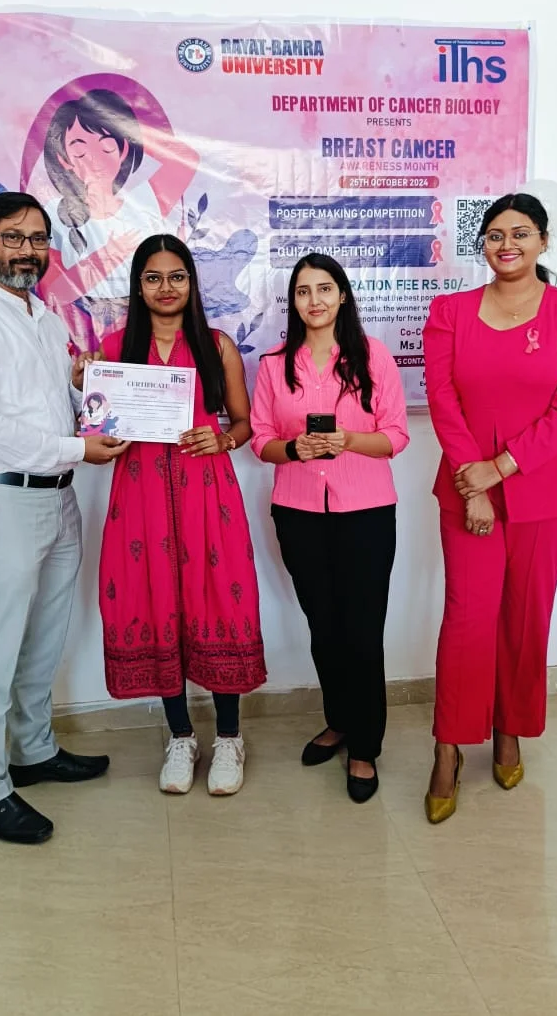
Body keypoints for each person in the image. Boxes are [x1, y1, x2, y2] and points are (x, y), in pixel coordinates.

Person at [0, 192, 130, 845]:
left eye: (37, 238)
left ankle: (33, 751)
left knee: (43, 638)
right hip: (1, 501)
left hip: (57, 497)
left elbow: (55, 407)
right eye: (12, 237)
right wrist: (78, 448)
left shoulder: (47, 321)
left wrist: (85, 388)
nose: (26, 250)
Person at [423, 193, 557, 824]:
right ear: (483, 246)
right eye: (495, 234)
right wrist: (477, 485)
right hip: (467, 487)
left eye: (520, 233)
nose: (507, 244)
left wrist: (502, 468)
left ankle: (509, 727)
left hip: (549, 492)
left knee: (525, 617)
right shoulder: (450, 312)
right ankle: (448, 747)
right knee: (468, 619)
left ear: (544, 241)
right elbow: (443, 399)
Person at [98, 235, 266, 796]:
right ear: (138, 285)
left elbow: (244, 424)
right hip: (140, 495)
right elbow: (100, 432)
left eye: (177, 276)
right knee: (156, 601)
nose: (165, 288)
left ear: (192, 283)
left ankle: (229, 738)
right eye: (153, 277)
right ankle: (180, 736)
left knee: (217, 599)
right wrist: (89, 397)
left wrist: (222, 439)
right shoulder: (115, 347)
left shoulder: (216, 346)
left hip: (207, 495)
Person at [250, 254, 409, 803]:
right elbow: (260, 439)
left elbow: (396, 435)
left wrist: (348, 440)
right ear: (292, 301)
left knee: (362, 632)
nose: (313, 300)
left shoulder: (373, 356)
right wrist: (294, 449)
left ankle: (364, 745)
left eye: (324, 288)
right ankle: (339, 720)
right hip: (298, 513)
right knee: (324, 626)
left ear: (343, 295)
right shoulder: (275, 365)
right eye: (302, 291)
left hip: (365, 513)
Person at [18, 74, 199, 352]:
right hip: (82, 336)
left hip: (148, 335)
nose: (95, 159)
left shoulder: (145, 201)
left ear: (124, 148)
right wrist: (108, 255)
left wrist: (125, 126)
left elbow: (186, 159)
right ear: (64, 159)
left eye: (106, 146)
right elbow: (54, 291)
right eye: (80, 151)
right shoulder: (52, 216)